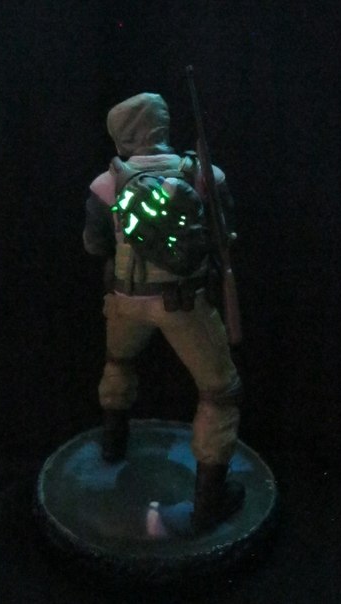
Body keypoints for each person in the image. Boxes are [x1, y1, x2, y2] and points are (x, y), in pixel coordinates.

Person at [83, 92, 244, 533]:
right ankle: (209, 502)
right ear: (163, 125)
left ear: (122, 136)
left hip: (125, 301)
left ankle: (113, 444)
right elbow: (227, 235)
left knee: (118, 362)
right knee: (220, 392)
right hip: (184, 303)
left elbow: (95, 246)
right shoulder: (205, 175)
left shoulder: (106, 183)